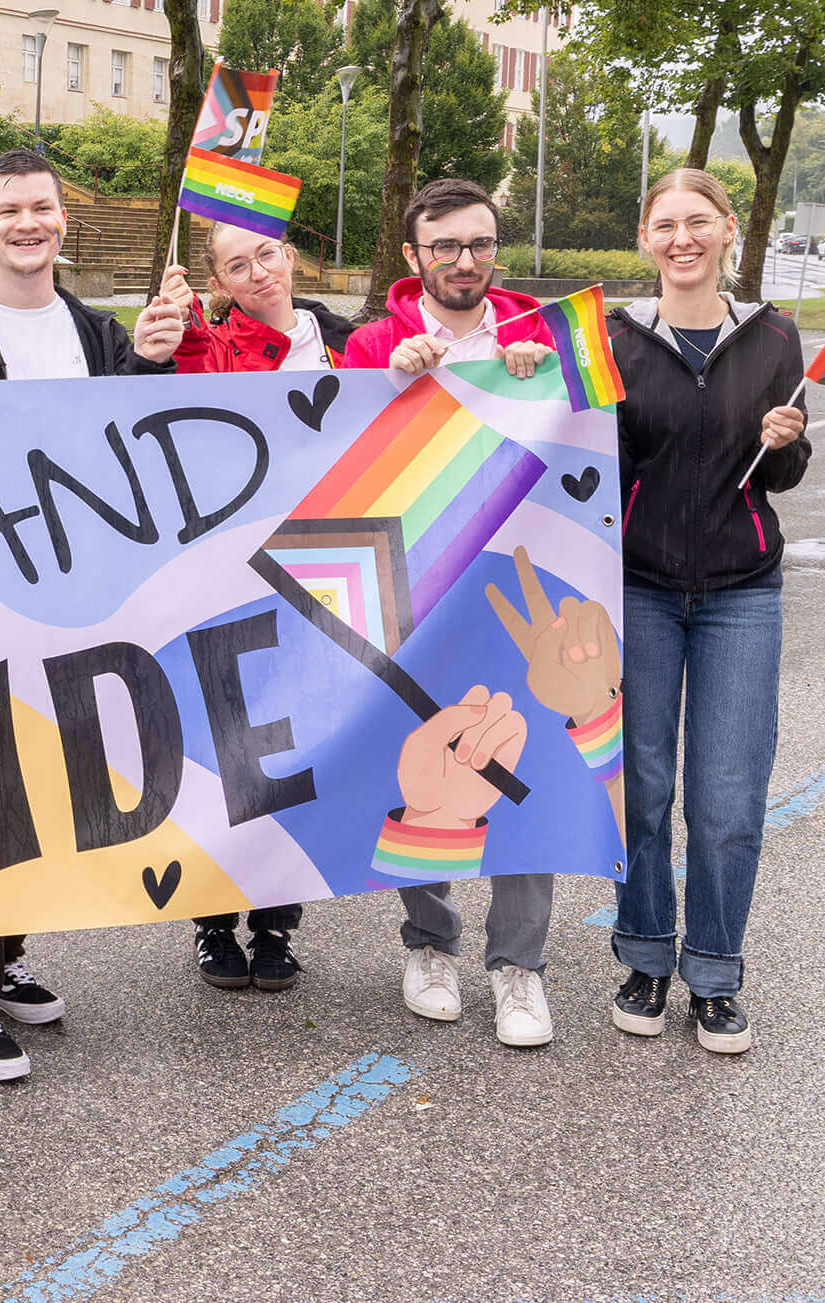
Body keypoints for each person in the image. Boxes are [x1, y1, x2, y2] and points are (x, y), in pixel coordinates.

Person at [0, 148, 190, 1081]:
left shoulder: (99, 335)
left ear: (63, 222)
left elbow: (139, 460)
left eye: (42, 208)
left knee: (42, 788)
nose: (27, 222)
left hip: (71, 603)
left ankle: (1, 953)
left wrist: (151, 362)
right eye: (8, 209)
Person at [339, 178, 560, 1047]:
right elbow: (330, 454)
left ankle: (520, 966)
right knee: (422, 760)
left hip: (521, 584)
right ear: (413, 256)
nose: (465, 260)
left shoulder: (540, 334)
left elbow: (599, 428)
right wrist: (382, 386)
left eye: (480, 243)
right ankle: (430, 942)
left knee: (521, 760)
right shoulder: (371, 342)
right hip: (415, 588)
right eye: (445, 247)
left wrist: (545, 377)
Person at [606, 167, 808, 1055]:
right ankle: (646, 956)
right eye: (665, 224)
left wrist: (785, 447)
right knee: (642, 790)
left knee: (726, 799)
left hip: (740, 594)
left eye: (699, 221)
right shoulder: (612, 337)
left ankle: (715, 974)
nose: (681, 238)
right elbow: (590, 465)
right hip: (639, 588)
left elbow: (785, 478)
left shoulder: (773, 337)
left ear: (729, 230)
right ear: (645, 239)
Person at [171, 219, 355, 992]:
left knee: (298, 750)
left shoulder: (350, 343)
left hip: (323, 572)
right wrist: (181, 330)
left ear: (292, 257)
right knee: (223, 746)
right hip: (224, 570)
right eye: (236, 266)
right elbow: (185, 389)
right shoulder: (212, 343)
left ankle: (278, 923)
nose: (257, 274)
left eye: (267, 255)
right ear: (218, 282)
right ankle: (215, 925)